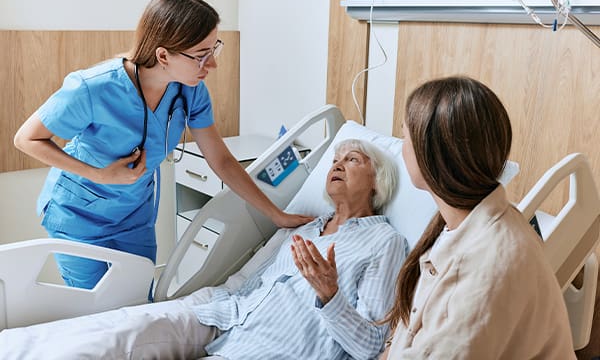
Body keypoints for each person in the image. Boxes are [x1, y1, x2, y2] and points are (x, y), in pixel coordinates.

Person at [12, 0, 311, 291]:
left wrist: (276, 214)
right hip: (79, 216)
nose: (213, 64)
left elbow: (221, 161)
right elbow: (26, 139)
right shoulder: (93, 88)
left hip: (134, 216)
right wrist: (100, 174)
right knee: (94, 310)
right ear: (163, 55)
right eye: (201, 55)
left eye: (214, 49)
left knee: (138, 302)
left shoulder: (190, 90)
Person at [0, 139, 409, 360]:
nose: (336, 164)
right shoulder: (306, 225)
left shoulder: (383, 242)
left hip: (275, 348)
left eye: (351, 159)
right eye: (334, 158)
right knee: (106, 334)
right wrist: (210, 299)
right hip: (229, 320)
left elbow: (371, 347)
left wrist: (330, 295)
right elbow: (254, 276)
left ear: (378, 181)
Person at [380, 76, 575, 359]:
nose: (400, 146)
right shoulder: (464, 226)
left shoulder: (483, 268)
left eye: (404, 135)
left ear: (430, 154)